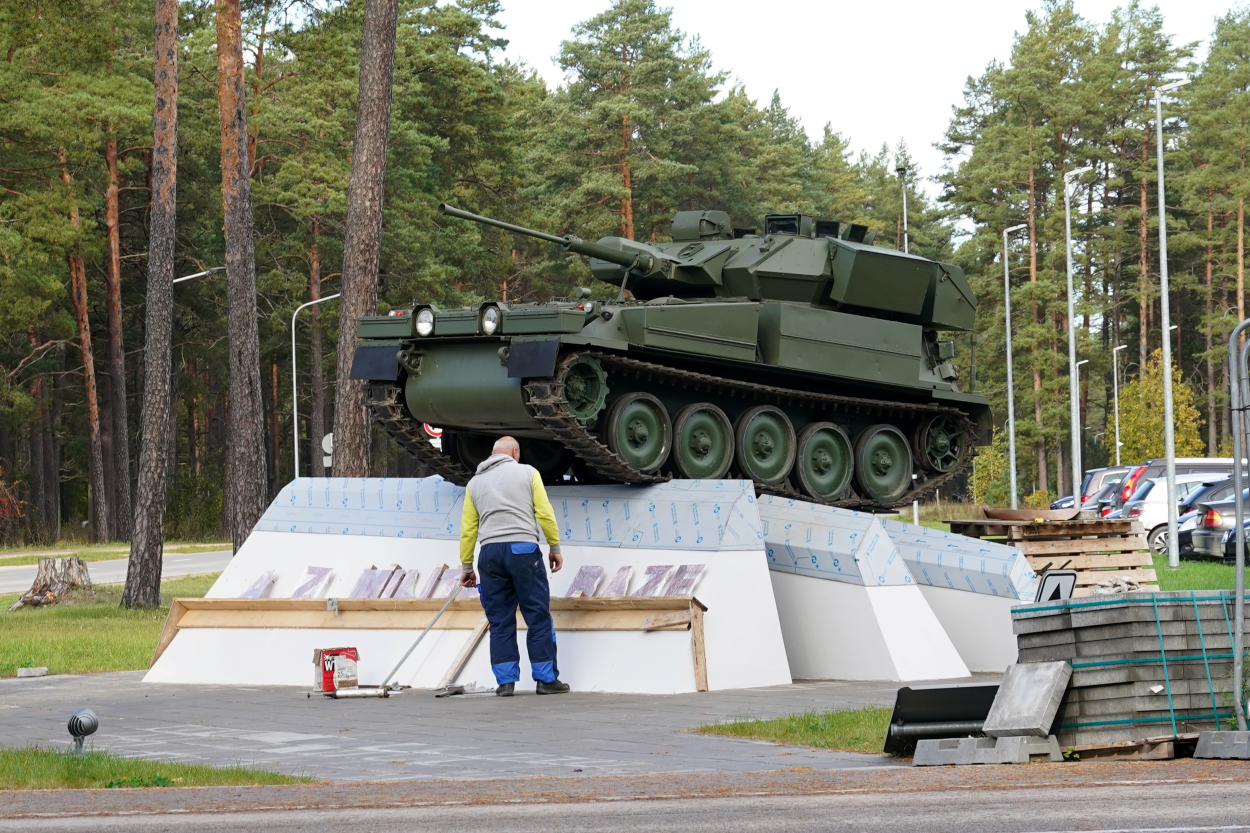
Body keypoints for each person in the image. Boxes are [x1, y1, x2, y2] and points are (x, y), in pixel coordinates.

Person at [459, 436, 569, 697]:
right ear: (515, 454)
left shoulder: (474, 483)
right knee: (537, 616)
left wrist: (466, 566)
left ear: (493, 454)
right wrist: (554, 546)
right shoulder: (528, 473)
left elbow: (468, 529)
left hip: (489, 554)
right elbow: (544, 512)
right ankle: (545, 680)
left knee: (499, 620)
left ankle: (505, 683)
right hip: (523, 549)